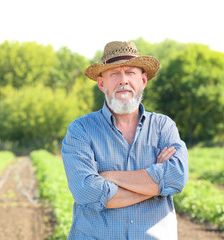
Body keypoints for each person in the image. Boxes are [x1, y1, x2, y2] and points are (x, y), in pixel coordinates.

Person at [61, 41, 189, 239]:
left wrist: (111, 176)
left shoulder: (164, 127)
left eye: (130, 72)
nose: (123, 81)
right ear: (102, 83)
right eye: (114, 73)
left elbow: (176, 178)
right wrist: (156, 184)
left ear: (143, 81)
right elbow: (87, 192)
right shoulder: (81, 130)